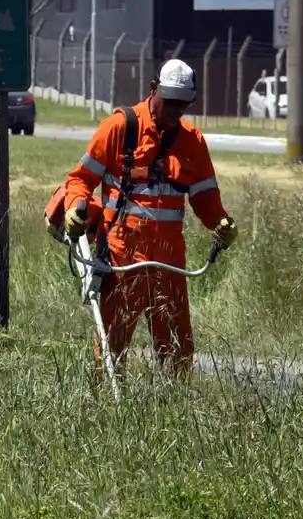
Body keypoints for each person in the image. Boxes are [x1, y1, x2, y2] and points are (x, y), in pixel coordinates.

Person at [58, 58, 238, 378]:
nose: (176, 110)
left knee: (178, 348)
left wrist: (220, 222)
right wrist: (74, 207)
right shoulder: (119, 128)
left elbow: (205, 196)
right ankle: (107, 400)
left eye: (183, 104)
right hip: (121, 256)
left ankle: (174, 402)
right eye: (171, 102)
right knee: (112, 345)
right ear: (153, 89)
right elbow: (81, 179)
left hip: (169, 261)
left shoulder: (192, 141)